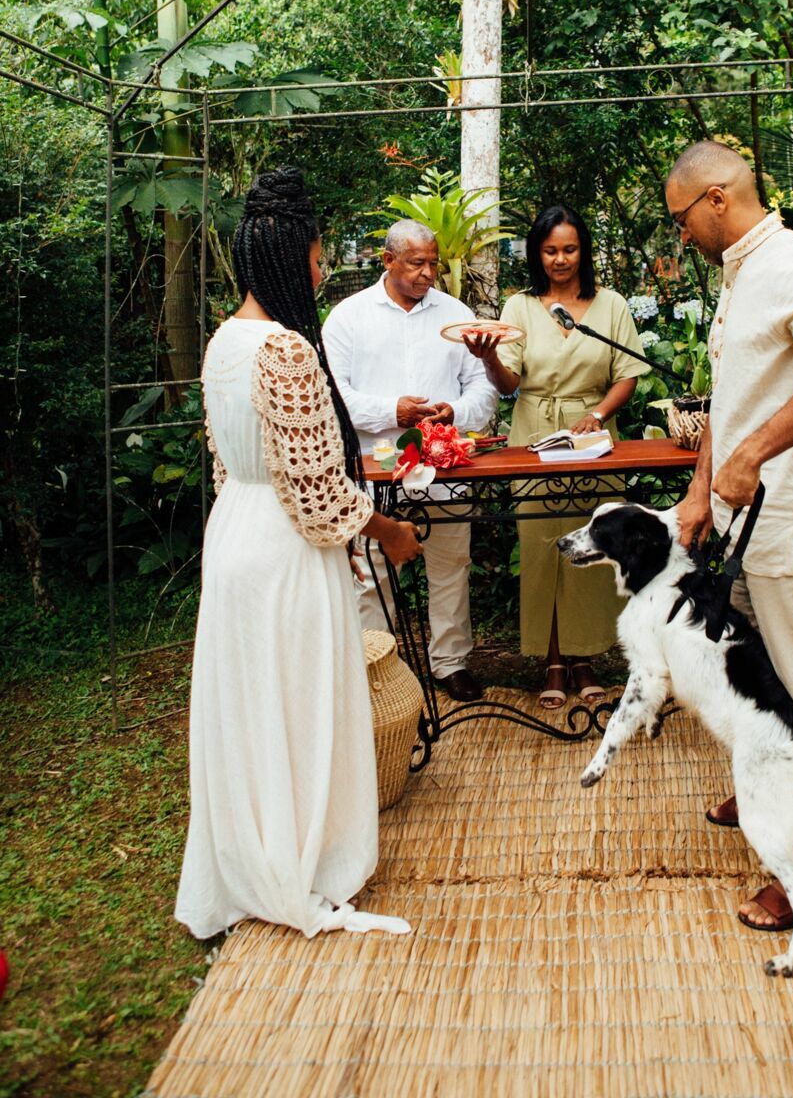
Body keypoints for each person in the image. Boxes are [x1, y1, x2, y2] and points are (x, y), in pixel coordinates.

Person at [176, 166, 420, 941]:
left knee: (253, 706)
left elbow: (229, 463)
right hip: (284, 547)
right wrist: (387, 533)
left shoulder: (224, 341)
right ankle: (300, 859)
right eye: (317, 257)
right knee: (299, 703)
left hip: (236, 533)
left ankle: (256, 849)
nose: (320, 271)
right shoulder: (284, 350)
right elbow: (318, 494)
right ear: (289, 257)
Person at [665, 139, 793, 935]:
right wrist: (697, 490)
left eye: (682, 217)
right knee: (755, 682)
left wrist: (753, 455)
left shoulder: (791, 264)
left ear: (717, 198)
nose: (679, 235)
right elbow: (734, 397)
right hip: (745, 526)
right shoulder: (741, 273)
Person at [467, 205, 650, 707]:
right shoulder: (518, 308)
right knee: (543, 546)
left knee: (593, 544)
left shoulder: (610, 304)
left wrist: (599, 413)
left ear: (583, 250)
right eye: (550, 251)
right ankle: (551, 659)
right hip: (532, 437)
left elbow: (628, 372)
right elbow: (509, 383)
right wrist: (487, 360)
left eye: (569, 249)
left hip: (593, 438)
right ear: (536, 253)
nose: (560, 259)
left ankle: (585, 656)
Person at [322, 220, 498, 702]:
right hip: (375, 471)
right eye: (416, 263)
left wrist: (454, 411)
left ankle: (450, 663)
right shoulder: (348, 317)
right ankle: (378, 667)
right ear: (387, 260)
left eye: (433, 263)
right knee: (373, 569)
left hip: (445, 467)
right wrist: (391, 411)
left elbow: (483, 390)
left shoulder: (456, 315)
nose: (426, 274)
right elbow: (333, 396)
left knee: (450, 564)